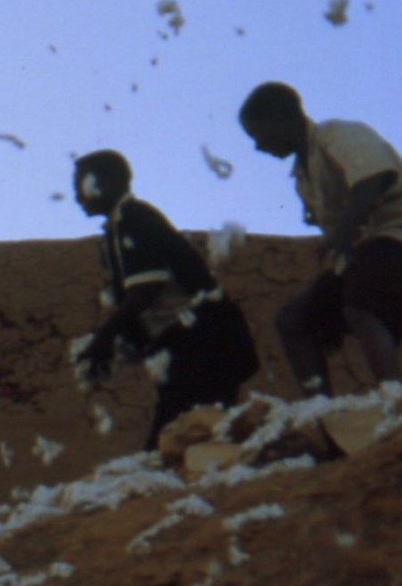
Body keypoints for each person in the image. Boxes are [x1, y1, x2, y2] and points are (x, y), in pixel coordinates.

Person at [71, 150, 260, 450]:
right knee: (193, 440)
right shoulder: (117, 232)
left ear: (103, 182)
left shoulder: (134, 219)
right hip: (192, 345)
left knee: (175, 444)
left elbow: (144, 294)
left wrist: (104, 338)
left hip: (207, 340)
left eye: (79, 186)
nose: (77, 197)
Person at [239, 81, 402, 395]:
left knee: (361, 306)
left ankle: (395, 401)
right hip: (368, 255)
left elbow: (374, 177)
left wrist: (344, 231)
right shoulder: (303, 177)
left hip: (398, 237)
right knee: (294, 320)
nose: (258, 147)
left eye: (257, 134)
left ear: (280, 118)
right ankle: (321, 412)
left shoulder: (338, 134)